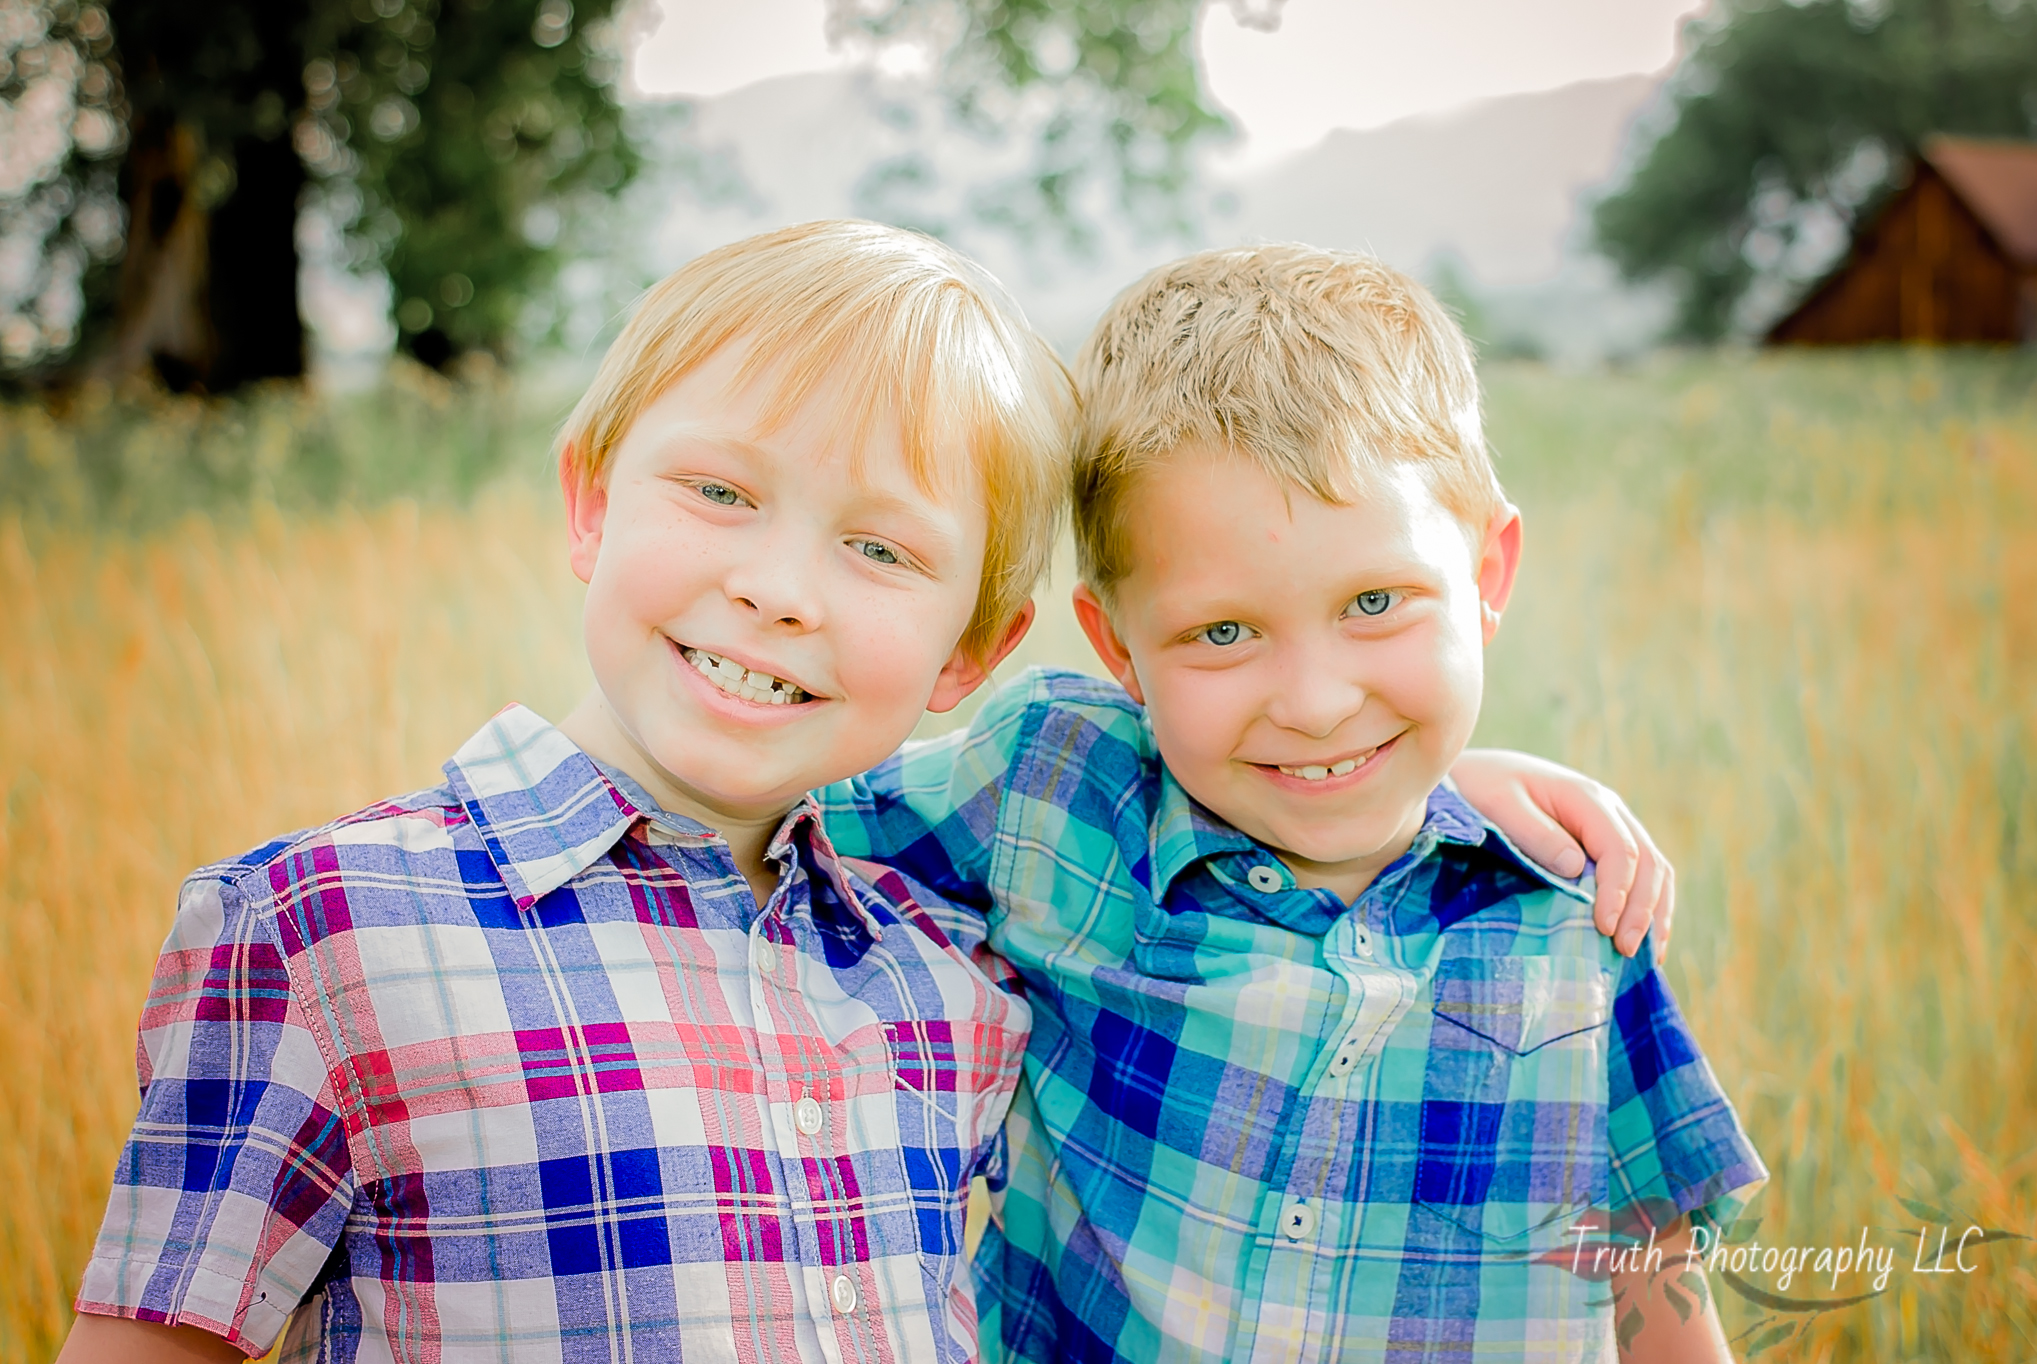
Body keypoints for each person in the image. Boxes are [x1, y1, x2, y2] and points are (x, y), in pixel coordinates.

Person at [65, 222, 1677, 1364]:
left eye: (880, 548)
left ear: (970, 650)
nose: (777, 591)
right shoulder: (323, 929)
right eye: (721, 492)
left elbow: (1271, 754)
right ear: (587, 498)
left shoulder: (931, 960)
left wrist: (1436, 784)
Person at [819, 244, 1766, 1363]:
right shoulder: (1053, 794)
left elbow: (1650, 1284)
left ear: (1488, 577)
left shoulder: (1568, 917)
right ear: (1118, 645)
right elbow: (761, 827)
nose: (1315, 705)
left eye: (1374, 602)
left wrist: (1435, 782)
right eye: (1222, 632)